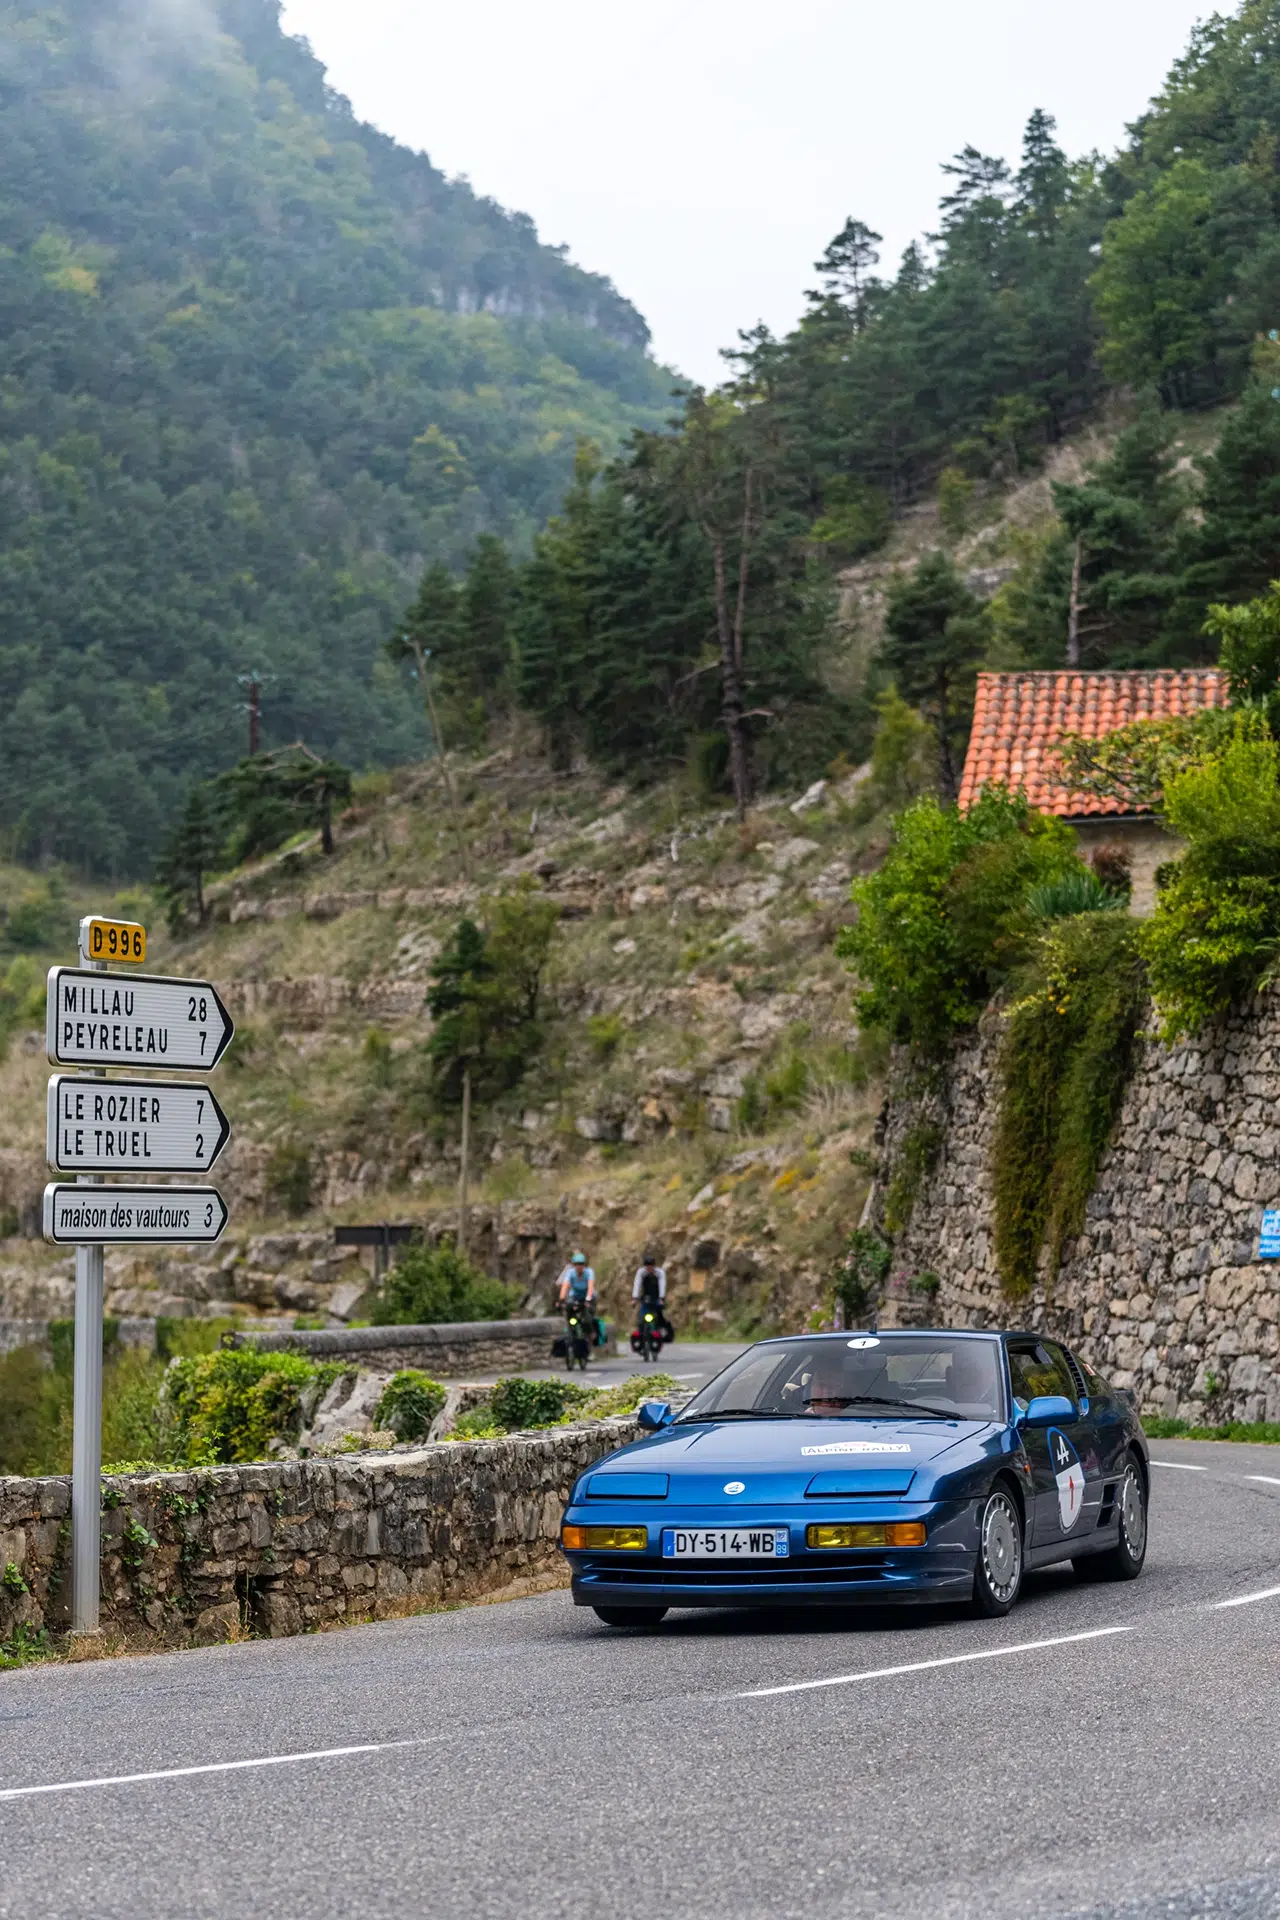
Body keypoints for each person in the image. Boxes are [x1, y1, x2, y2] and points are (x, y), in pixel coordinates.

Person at [632, 1253, 672, 1339]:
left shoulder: (660, 1273)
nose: (649, 1268)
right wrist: (634, 1298)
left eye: (651, 1266)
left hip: (657, 1297)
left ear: (654, 1266)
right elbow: (637, 1284)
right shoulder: (641, 1272)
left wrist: (661, 1298)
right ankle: (641, 1331)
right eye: (647, 1267)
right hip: (646, 1297)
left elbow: (662, 1285)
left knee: (659, 1313)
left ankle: (661, 1329)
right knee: (642, 1316)